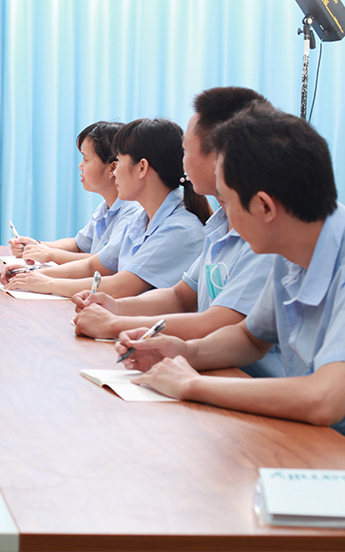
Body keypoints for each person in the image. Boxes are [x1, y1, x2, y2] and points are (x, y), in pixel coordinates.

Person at [119, 108, 345, 478]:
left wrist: (192, 384)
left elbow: (325, 399)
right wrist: (186, 352)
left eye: (227, 202)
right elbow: (249, 337)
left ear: (265, 206)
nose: (224, 218)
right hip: (328, 445)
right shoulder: (292, 251)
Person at [72, 88, 283, 378]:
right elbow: (182, 296)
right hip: (215, 370)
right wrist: (116, 308)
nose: (181, 162)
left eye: (187, 150)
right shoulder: (220, 223)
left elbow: (218, 323)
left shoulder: (261, 235)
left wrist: (113, 323)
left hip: (245, 380)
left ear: (221, 158)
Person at [0, 117, 209, 299]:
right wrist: (33, 273)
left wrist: (48, 283)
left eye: (120, 162)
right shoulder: (142, 220)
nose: (115, 172)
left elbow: (121, 286)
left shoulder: (179, 229)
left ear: (142, 168)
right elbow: (93, 265)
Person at [9, 121, 142, 264]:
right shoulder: (105, 207)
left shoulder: (133, 212)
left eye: (86, 159)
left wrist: (50, 254)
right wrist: (36, 246)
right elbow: (79, 245)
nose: (80, 166)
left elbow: (108, 262)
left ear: (112, 168)